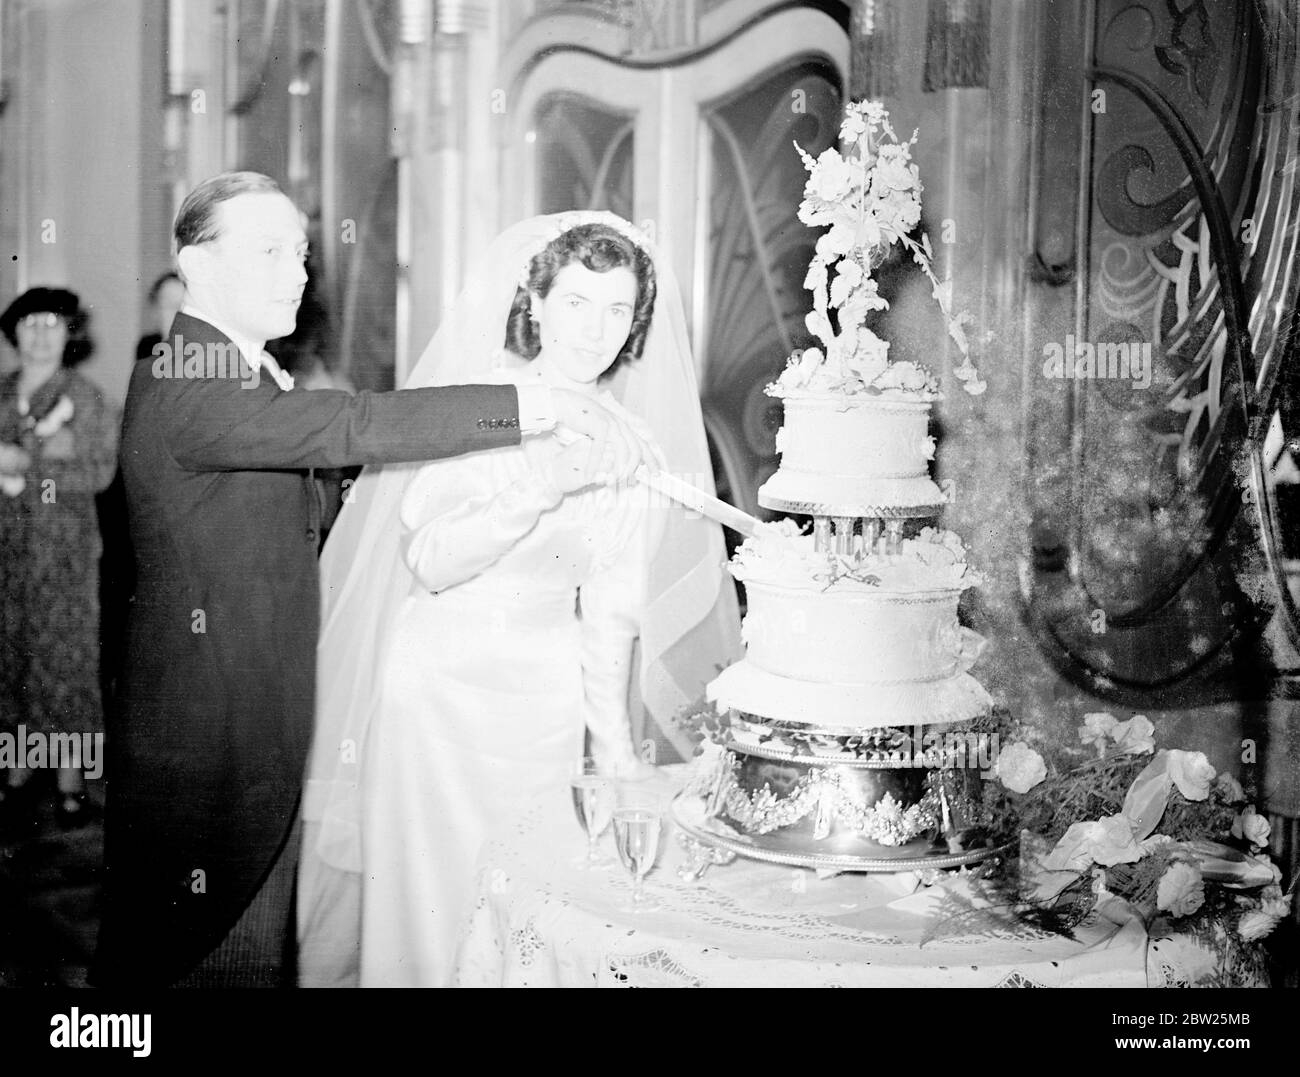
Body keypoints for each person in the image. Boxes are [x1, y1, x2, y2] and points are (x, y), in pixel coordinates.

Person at [93, 173, 650, 988]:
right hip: (214, 742)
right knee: (194, 963)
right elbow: (353, 425)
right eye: (271, 250)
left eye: (303, 251)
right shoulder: (187, 375)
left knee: (239, 957)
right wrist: (533, 408)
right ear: (198, 266)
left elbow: (300, 496)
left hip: (260, 725)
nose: (299, 272)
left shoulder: (240, 374)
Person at [297, 212, 741, 987]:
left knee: (518, 917)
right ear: (536, 303)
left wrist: (614, 752)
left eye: (615, 309)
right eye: (574, 302)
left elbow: (612, 609)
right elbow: (430, 560)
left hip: (541, 702)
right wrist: (536, 487)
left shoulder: (633, 442)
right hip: (434, 694)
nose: (593, 330)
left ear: (636, 320)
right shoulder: (479, 408)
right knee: (423, 915)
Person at [0, 287, 118, 831]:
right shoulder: (1, 394)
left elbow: (98, 473)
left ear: (68, 334)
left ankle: (71, 783)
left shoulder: (84, 397)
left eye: (52, 324)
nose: (41, 334)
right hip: (8, 554)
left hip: (63, 555)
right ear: (15, 333)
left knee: (66, 663)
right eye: (30, 324)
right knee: (13, 659)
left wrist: (29, 466)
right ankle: (19, 771)